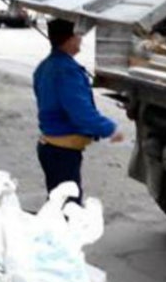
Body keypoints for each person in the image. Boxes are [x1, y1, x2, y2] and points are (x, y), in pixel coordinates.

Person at [33, 18, 123, 203]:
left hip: (51, 147)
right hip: (61, 151)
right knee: (68, 209)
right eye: (79, 35)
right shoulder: (66, 71)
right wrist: (110, 128)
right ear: (70, 38)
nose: (81, 40)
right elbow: (81, 112)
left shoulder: (46, 66)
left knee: (58, 204)